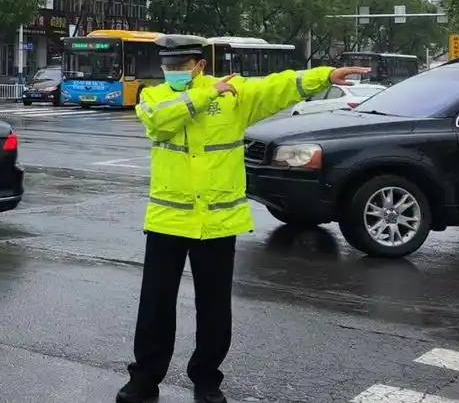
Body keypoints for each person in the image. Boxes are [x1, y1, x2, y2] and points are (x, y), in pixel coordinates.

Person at [116, 35, 370, 403]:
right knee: (155, 305)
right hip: (168, 221)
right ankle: (144, 379)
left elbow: (279, 86)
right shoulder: (156, 96)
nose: (174, 73)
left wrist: (326, 75)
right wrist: (205, 94)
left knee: (215, 308)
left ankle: (206, 380)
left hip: (219, 222)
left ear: (200, 64)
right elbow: (158, 122)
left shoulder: (236, 97)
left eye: (182, 66)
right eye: (169, 67)